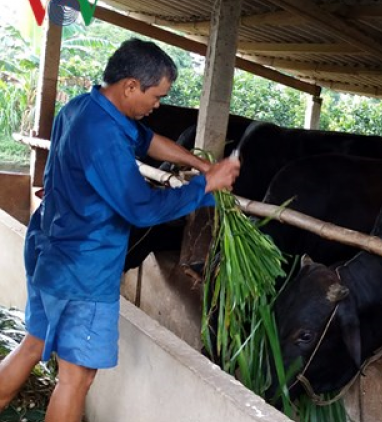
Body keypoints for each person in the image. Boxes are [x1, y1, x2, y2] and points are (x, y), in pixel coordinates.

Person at [0, 38, 241, 421]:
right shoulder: (105, 137)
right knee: (75, 378)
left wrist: (200, 165)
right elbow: (141, 209)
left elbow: (150, 142)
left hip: (49, 249)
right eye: (157, 95)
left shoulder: (84, 108)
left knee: (34, 344)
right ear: (130, 86)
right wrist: (203, 188)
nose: (158, 104)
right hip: (84, 268)